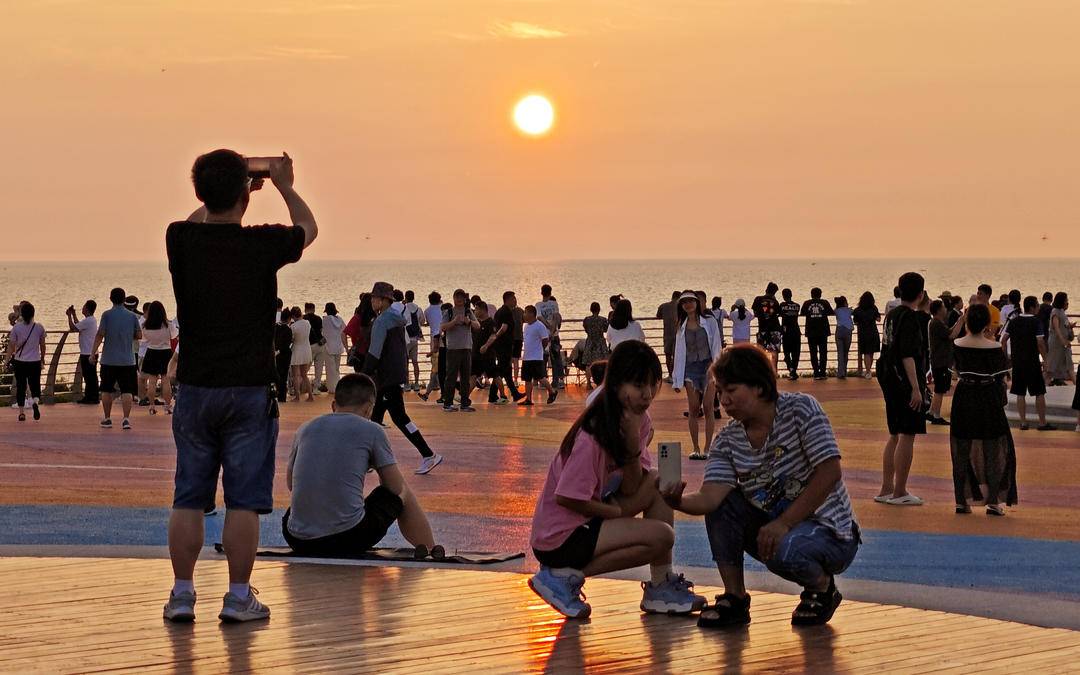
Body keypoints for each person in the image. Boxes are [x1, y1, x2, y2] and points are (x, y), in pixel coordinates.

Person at [164, 149, 317, 624]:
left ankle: (183, 594)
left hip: (195, 387)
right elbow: (308, 230)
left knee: (188, 494)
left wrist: (229, 189)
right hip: (249, 389)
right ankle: (236, 596)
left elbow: (199, 216)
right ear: (244, 198)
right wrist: (284, 185)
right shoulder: (261, 245)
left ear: (199, 191)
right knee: (244, 500)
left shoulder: (180, 238)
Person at [661, 345, 860, 628]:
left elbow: (830, 472)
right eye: (719, 392)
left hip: (830, 531)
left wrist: (784, 523)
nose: (724, 400)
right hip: (776, 528)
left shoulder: (801, 409)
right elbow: (710, 497)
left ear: (758, 386)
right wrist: (677, 501)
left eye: (731, 390)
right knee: (724, 504)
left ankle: (822, 587)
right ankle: (735, 597)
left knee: (786, 549)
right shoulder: (728, 440)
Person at [527, 340, 705, 619]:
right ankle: (560, 577)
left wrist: (633, 444)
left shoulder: (639, 420)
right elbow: (568, 496)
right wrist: (613, 512)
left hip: (590, 519)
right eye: (638, 386)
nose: (646, 394)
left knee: (658, 484)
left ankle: (660, 585)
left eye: (652, 384)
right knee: (662, 536)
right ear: (617, 384)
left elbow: (633, 486)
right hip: (560, 535)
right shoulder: (593, 434)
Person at [282, 374, 440, 557]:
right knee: (402, 492)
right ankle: (429, 548)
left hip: (297, 539)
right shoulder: (372, 430)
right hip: (347, 538)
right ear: (369, 409)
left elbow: (291, 484)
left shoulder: (305, 428)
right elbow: (395, 488)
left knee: (298, 508)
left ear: (334, 405)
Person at [362, 282, 443, 475]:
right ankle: (369, 461)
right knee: (375, 419)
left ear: (383, 300)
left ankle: (428, 454)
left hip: (385, 378)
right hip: (396, 374)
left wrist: (362, 375)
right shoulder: (396, 318)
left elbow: (374, 352)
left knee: (399, 418)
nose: (372, 301)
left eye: (374, 298)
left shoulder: (381, 321)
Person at [950, 305, 1017, 516]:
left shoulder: (957, 344)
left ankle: (961, 501)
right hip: (987, 399)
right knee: (993, 450)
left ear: (968, 322)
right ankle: (994, 502)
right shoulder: (994, 347)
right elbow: (1003, 379)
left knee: (961, 451)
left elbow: (956, 371)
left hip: (964, 397)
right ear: (987, 323)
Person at [874, 272, 927, 507]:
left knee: (894, 433)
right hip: (903, 379)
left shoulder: (892, 315)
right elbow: (908, 354)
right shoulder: (911, 318)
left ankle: (887, 487)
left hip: (887, 375)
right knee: (908, 433)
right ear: (921, 294)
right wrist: (916, 388)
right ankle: (900, 491)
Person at [671, 291, 722, 461]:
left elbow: (716, 345)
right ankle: (695, 447)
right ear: (681, 306)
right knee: (693, 408)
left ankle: (708, 447)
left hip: (708, 368)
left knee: (708, 407)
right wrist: (677, 379)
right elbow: (678, 353)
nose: (688, 304)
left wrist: (716, 368)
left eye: (691, 301)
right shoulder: (681, 326)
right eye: (684, 302)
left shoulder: (709, 322)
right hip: (690, 370)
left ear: (697, 303)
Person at [92, 287, 142, 431]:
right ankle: (126, 419)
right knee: (127, 391)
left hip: (109, 359)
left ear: (111, 299)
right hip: (128, 360)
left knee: (106, 390)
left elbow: (100, 334)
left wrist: (92, 352)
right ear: (124, 299)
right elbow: (139, 335)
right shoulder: (132, 317)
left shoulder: (106, 315)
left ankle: (107, 418)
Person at [1001, 296, 1052, 431]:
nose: (1038, 308)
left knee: (1020, 393)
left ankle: (1023, 422)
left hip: (1017, 362)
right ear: (1032, 307)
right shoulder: (1036, 322)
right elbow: (1040, 343)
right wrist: (1046, 360)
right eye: (1037, 305)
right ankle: (1042, 422)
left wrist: (1006, 357)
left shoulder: (1014, 321)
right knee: (1039, 392)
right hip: (1032, 362)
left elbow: (1004, 340)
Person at [5, 302, 46, 422]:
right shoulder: (39, 327)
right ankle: (35, 403)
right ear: (33, 313)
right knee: (35, 386)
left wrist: (6, 360)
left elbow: (11, 346)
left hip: (20, 362)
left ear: (22, 314)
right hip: (35, 361)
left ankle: (22, 413)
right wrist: (42, 358)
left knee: (21, 387)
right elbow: (43, 345)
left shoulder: (17, 328)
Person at [441, 289, 479, 412]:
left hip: (466, 347)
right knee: (451, 377)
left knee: (465, 377)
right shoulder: (449, 312)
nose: (459, 299)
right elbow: (442, 327)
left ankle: (464, 403)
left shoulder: (468, 312)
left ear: (464, 299)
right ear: (453, 298)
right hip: (453, 348)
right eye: (457, 297)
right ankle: (447, 403)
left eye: (461, 297)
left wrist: (469, 321)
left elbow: (477, 326)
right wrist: (454, 322)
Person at [140, 301, 176, 415]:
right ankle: (167, 406)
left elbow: (143, 339)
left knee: (152, 382)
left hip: (151, 352)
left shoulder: (145, 326)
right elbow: (175, 336)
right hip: (165, 353)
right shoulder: (168, 325)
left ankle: (151, 406)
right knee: (166, 382)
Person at [520, 305, 558, 406]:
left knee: (540, 377)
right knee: (527, 379)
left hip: (536, 357)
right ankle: (528, 399)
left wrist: (539, 349)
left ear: (532, 314)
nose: (524, 315)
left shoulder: (539, 325)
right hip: (527, 356)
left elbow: (545, 340)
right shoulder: (526, 326)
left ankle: (552, 392)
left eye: (525, 312)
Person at [926, 299, 953, 426]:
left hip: (938, 360)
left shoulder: (936, 323)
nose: (945, 309)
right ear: (938, 310)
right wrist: (961, 321)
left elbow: (950, 333)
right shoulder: (936, 323)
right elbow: (951, 335)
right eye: (943, 307)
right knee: (940, 389)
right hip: (940, 361)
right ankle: (936, 415)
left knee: (939, 389)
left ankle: (932, 412)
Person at [67, 300, 99, 404]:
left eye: (84, 306)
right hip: (91, 352)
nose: (82, 308)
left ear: (87, 308)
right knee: (90, 376)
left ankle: (91, 397)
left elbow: (73, 328)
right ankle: (92, 396)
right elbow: (79, 325)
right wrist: (74, 315)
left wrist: (69, 316)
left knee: (89, 376)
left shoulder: (88, 321)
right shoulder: (90, 320)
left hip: (87, 353)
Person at [471, 300, 501, 403]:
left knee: (495, 375)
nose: (475, 311)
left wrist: (486, 346)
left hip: (487, 355)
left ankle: (503, 395)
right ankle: (464, 396)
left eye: (477, 309)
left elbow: (493, 336)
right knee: (473, 375)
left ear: (483, 310)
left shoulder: (490, 322)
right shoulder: (477, 323)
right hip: (476, 355)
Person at [801, 289, 834, 380]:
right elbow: (831, 312)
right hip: (823, 331)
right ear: (820, 294)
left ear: (811, 294)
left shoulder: (806, 303)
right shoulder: (825, 302)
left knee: (813, 353)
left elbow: (802, 313)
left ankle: (816, 372)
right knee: (823, 353)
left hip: (811, 331)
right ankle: (822, 372)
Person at [536, 285, 564, 389]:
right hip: (554, 335)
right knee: (556, 358)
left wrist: (547, 327)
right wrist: (552, 330)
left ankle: (543, 380)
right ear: (550, 292)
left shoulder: (538, 305)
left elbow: (539, 317)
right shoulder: (554, 304)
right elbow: (557, 317)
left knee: (543, 357)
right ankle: (559, 380)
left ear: (541, 292)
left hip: (543, 336)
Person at [751, 283, 782, 375]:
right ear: (774, 292)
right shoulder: (775, 302)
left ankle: (761, 372)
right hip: (775, 328)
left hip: (763, 329)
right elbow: (778, 313)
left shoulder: (758, 299)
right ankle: (774, 372)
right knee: (774, 351)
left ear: (766, 289)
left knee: (761, 352)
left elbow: (755, 313)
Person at [1046, 292, 1076, 385]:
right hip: (1057, 344)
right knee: (1051, 368)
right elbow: (1056, 328)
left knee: (1069, 365)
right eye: (1066, 300)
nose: (1067, 302)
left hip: (1064, 344)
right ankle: (1043, 386)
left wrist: (1070, 326)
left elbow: (1063, 326)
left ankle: (1075, 383)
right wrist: (1063, 341)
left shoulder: (1062, 312)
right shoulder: (1055, 312)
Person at [852, 293, 882, 380]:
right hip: (873, 332)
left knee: (866, 353)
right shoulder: (874, 308)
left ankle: (868, 371)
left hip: (863, 333)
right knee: (871, 352)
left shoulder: (858, 310)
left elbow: (855, 322)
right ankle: (868, 371)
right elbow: (879, 319)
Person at [581, 302, 610, 387]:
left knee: (588, 363)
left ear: (591, 309)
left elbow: (586, 329)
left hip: (590, 342)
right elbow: (605, 330)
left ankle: (588, 383)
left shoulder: (586, 320)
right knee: (602, 363)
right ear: (599, 309)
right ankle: (601, 383)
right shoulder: (603, 320)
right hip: (600, 343)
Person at [289, 307, 314, 402]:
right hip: (306, 349)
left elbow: (292, 338)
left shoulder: (293, 326)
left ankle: (297, 396)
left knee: (295, 375)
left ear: (293, 316)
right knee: (304, 375)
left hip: (297, 349)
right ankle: (310, 396)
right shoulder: (307, 323)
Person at [321, 302, 346, 395]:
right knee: (336, 369)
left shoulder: (325, 320)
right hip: (338, 347)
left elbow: (322, 332)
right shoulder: (340, 319)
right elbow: (345, 329)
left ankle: (332, 388)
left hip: (328, 347)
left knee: (330, 369)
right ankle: (338, 386)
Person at [422, 291, 443, 395]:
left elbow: (428, 322)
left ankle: (435, 385)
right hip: (443, 336)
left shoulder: (427, 311)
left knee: (434, 362)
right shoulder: (443, 309)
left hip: (433, 337)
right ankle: (438, 384)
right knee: (442, 362)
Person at [302, 302, 326, 394]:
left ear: (305, 309)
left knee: (305, 368)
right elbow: (321, 330)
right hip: (320, 345)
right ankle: (316, 388)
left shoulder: (303, 319)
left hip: (309, 346)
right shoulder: (319, 318)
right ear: (314, 309)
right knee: (319, 368)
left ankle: (303, 387)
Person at [657, 291, 681, 381]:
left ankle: (670, 375)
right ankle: (675, 375)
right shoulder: (680, 307)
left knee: (667, 355)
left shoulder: (664, 306)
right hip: (678, 334)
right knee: (676, 356)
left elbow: (658, 315)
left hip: (667, 334)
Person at [403, 290, 424, 392]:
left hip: (406, 339)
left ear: (406, 297)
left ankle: (406, 384)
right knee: (415, 362)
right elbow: (422, 321)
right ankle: (416, 383)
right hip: (415, 339)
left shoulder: (404, 308)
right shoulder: (418, 309)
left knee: (405, 363)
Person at [779, 289, 802, 380]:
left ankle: (791, 369)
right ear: (791, 295)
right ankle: (793, 370)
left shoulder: (782, 305)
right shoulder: (797, 306)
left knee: (787, 352)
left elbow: (779, 313)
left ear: (783, 296)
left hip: (786, 332)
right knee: (796, 352)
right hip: (796, 331)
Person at [273, 302, 293, 403]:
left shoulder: (276, 327)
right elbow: (288, 344)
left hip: (276, 354)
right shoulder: (288, 330)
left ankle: (276, 396)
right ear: (289, 318)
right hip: (285, 355)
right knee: (283, 376)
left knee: (277, 375)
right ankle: (282, 398)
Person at [833, 296, 853, 379]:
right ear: (845, 302)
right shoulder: (849, 310)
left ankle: (840, 372)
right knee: (846, 352)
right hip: (848, 331)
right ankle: (844, 371)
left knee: (840, 353)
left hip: (839, 330)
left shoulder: (836, 311)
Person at [511, 299, 526, 383]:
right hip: (519, 337)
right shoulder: (520, 311)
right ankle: (515, 380)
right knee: (516, 360)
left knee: (511, 360)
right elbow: (525, 320)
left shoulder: (507, 311)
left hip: (511, 338)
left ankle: (511, 379)